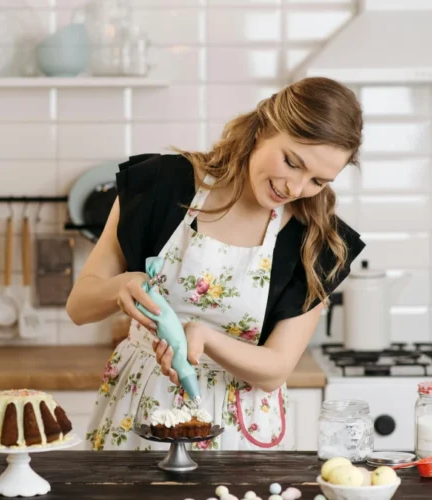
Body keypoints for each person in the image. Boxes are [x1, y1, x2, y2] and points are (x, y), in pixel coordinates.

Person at [66, 76, 367, 452]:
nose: (295, 188)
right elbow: (79, 307)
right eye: (292, 162)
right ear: (264, 127)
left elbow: (276, 368)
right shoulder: (160, 185)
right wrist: (120, 286)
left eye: (318, 181)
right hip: (138, 409)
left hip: (239, 431)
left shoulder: (317, 239)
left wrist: (206, 337)